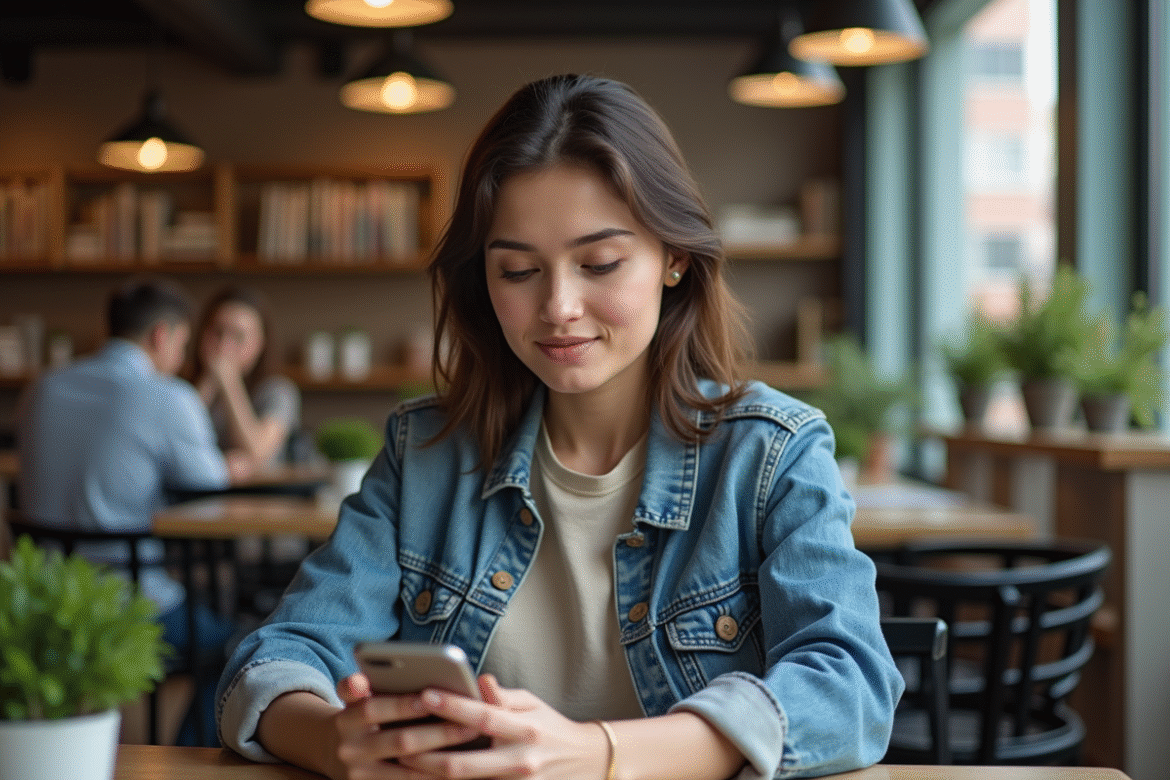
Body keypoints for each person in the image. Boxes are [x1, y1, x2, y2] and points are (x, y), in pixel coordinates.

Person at [217, 74, 903, 780]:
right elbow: (277, 659)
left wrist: (600, 753)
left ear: (674, 258)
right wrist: (333, 740)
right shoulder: (424, 453)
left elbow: (851, 685)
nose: (559, 307)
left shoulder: (772, 454)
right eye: (518, 271)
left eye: (599, 263)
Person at [18, 276, 252, 746]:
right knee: (242, 647)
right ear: (161, 336)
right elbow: (210, 484)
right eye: (182, 345)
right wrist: (233, 465)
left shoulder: (43, 388)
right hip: (129, 607)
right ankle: (187, 766)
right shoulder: (167, 395)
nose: (181, 359)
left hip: (44, 603)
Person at [188, 285, 301, 471]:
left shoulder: (278, 391)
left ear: (260, 344)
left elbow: (258, 451)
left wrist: (229, 381)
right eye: (217, 332)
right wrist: (209, 383)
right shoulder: (179, 388)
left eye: (238, 336)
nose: (224, 346)